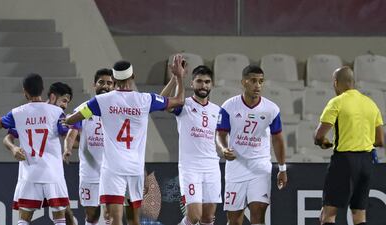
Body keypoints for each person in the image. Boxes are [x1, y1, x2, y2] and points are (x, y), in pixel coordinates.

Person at [64, 55, 185, 225]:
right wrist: (178, 76)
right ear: (133, 77)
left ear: (113, 79)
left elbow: (77, 117)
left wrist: (67, 120)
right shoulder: (145, 99)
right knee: (134, 220)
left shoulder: (101, 101)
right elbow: (179, 101)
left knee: (113, 219)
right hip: (134, 169)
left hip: (112, 169)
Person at [0, 74, 70, 225]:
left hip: (30, 173)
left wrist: (13, 146)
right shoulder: (56, 113)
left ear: (24, 91)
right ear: (42, 89)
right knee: (60, 219)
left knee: (24, 220)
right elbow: (67, 135)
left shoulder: (17, 113)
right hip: (53, 174)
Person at [216, 65, 288, 225]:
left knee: (258, 213)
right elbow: (220, 133)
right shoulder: (229, 106)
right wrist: (223, 148)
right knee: (234, 219)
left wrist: (282, 169)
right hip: (235, 169)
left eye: (261, 81)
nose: (258, 86)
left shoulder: (271, 109)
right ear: (244, 82)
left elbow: (278, 139)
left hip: (260, 167)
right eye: (253, 81)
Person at [314, 66, 384, 225]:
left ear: (336, 82)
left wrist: (323, 142)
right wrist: (361, 141)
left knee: (328, 214)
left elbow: (319, 136)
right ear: (353, 82)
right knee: (359, 216)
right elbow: (380, 140)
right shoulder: (371, 104)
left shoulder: (337, 102)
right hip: (366, 163)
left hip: (344, 162)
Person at [160, 65, 221, 225]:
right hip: (190, 168)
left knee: (208, 218)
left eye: (207, 82)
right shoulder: (183, 105)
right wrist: (175, 78)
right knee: (194, 217)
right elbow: (162, 100)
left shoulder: (218, 110)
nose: (204, 85)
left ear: (212, 85)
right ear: (192, 84)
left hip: (211, 167)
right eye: (199, 81)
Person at [63, 68, 114, 225]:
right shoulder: (84, 109)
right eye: (101, 82)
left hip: (112, 171)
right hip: (89, 171)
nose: (105, 86)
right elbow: (72, 133)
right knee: (91, 215)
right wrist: (67, 149)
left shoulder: (117, 109)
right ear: (94, 85)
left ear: (114, 86)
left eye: (109, 83)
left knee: (108, 216)